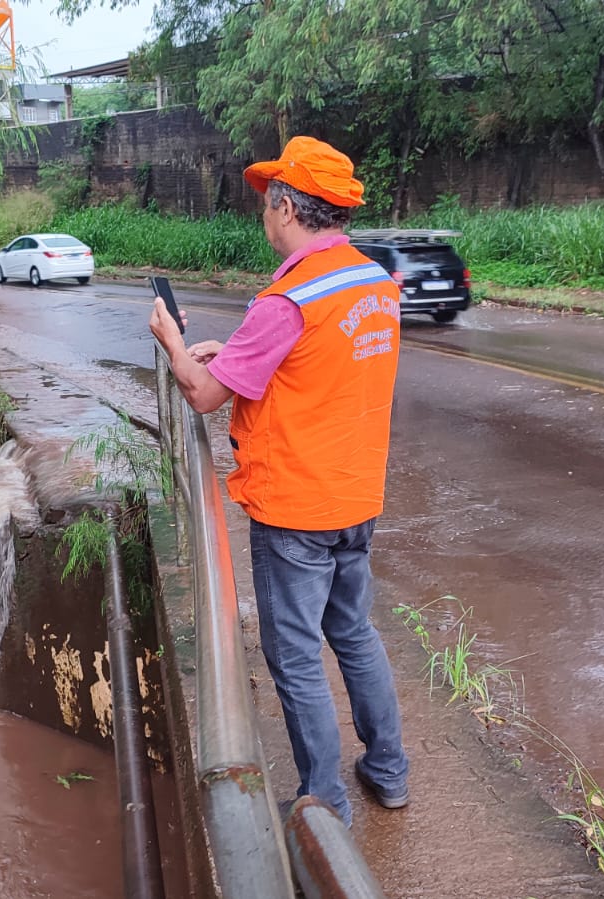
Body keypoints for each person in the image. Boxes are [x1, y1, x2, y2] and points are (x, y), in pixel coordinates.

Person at [148, 136, 409, 827]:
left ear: (288, 206)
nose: (264, 217)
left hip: (298, 510)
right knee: (353, 632)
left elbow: (204, 397)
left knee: (293, 656)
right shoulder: (375, 284)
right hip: (358, 500)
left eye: (268, 205)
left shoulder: (287, 298)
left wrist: (176, 344)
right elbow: (317, 362)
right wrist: (232, 351)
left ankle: (324, 800)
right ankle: (388, 770)